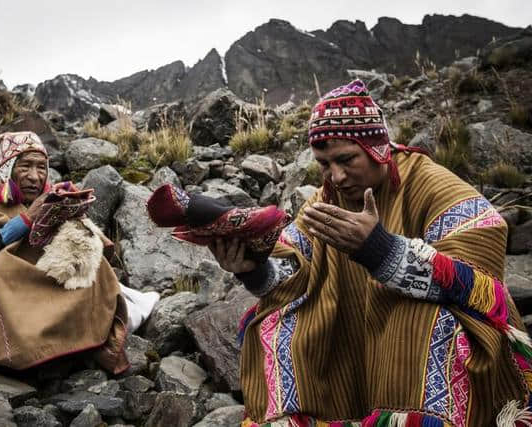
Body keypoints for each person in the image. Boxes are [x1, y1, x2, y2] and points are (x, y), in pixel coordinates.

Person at [208, 80, 532, 426]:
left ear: (378, 147)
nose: (336, 175)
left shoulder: (430, 182)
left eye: (346, 159)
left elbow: (481, 276)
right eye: (324, 164)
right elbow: (293, 265)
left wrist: (380, 249)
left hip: (426, 326)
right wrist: (252, 269)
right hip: (357, 332)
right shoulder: (326, 199)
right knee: (272, 324)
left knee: (422, 322)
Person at [0, 131, 132, 373]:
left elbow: (92, 250)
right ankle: (32, 347)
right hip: (5, 287)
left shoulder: (50, 197)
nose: (34, 176)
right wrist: (26, 220)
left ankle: (83, 337)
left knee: (96, 267)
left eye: (41, 167)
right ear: (8, 169)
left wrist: (75, 219)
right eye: (25, 166)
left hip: (38, 282)